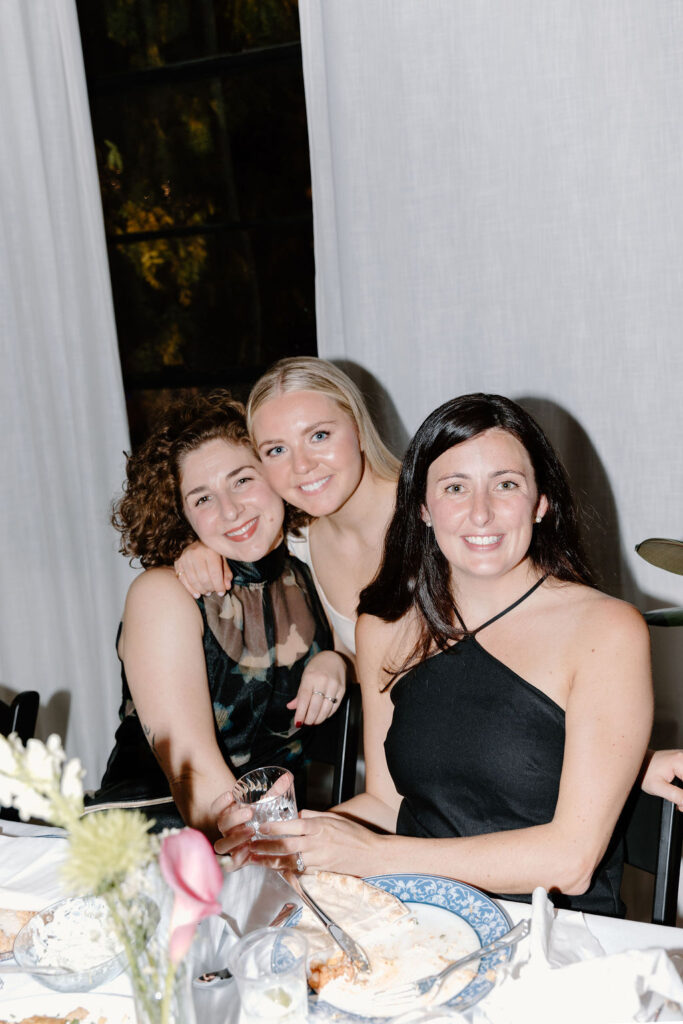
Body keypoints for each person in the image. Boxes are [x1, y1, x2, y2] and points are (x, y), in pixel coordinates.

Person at [214, 394, 653, 916]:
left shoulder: (606, 630)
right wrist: (292, 836)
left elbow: (571, 861)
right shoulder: (386, 628)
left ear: (541, 502)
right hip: (416, 919)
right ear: (422, 508)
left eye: (506, 484)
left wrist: (377, 856)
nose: (480, 512)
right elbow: (385, 802)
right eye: (454, 488)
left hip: (553, 939)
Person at [88, 392, 346, 839]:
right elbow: (193, 774)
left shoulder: (310, 574)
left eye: (242, 480)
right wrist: (265, 851)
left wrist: (338, 659)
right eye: (202, 499)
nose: (230, 510)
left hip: (270, 834)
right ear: (183, 515)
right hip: (152, 835)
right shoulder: (162, 594)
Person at [173, 358, 399, 658]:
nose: (302, 465)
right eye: (277, 450)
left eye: (319, 436)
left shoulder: (435, 513)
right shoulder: (302, 541)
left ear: (358, 428)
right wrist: (199, 549)